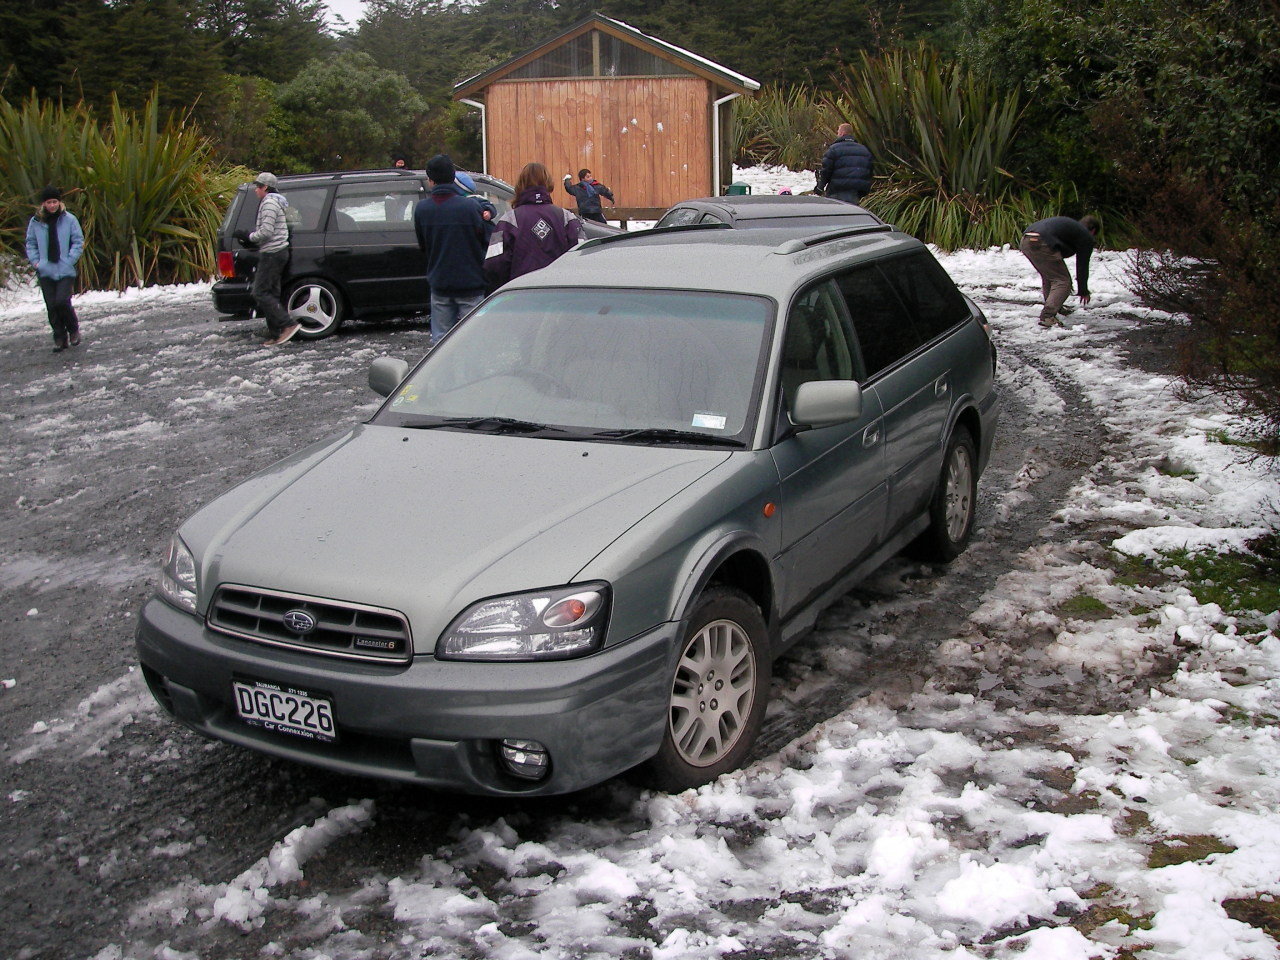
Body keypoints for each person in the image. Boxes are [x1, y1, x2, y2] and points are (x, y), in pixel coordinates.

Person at [413, 154, 488, 342]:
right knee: (472, 339)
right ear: (453, 176)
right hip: (471, 284)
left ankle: (444, 371)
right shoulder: (470, 207)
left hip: (440, 284)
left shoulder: (422, 210)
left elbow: (424, 246)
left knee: (441, 342)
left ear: (430, 180)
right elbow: (483, 240)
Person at [487, 163, 584, 284]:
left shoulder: (509, 220)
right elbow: (583, 259)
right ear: (548, 182)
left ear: (521, 183)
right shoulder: (567, 218)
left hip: (521, 294)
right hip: (559, 294)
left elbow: (494, 264)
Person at [234, 172, 298, 347]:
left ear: (266, 188)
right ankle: (277, 334)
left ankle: (287, 324)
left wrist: (248, 236)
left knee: (260, 292)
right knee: (272, 293)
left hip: (272, 253)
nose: (256, 189)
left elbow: (266, 232)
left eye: (258, 186)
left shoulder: (269, 203)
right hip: (279, 252)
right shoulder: (277, 201)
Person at [25, 185, 84, 352]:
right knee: (51, 304)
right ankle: (59, 335)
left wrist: (69, 259)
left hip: (65, 269)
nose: (52, 205)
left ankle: (73, 330)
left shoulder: (69, 219)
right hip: (46, 269)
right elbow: (31, 243)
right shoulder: (36, 222)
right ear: (43, 204)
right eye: (49, 202)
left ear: (59, 202)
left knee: (62, 301)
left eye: (55, 202)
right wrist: (37, 262)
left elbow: (78, 241)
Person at [1020, 215, 1101, 327]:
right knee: (1062, 281)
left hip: (1026, 239)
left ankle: (1055, 307)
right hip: (1041, 241)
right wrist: (1083, 290)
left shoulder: (1071, 227)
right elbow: (1082, 265)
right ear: (1092, 231)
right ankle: (1048, 316)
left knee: (1050, 277)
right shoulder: (1085, 235)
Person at [815, 123, 873, 205]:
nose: (837, 134)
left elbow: (826, 170)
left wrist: (820, 187)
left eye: (838, 132)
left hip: (837, 191)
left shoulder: (833, 149)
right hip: (855, 193)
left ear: (842, 133)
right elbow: (869, 171)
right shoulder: (864, 150)